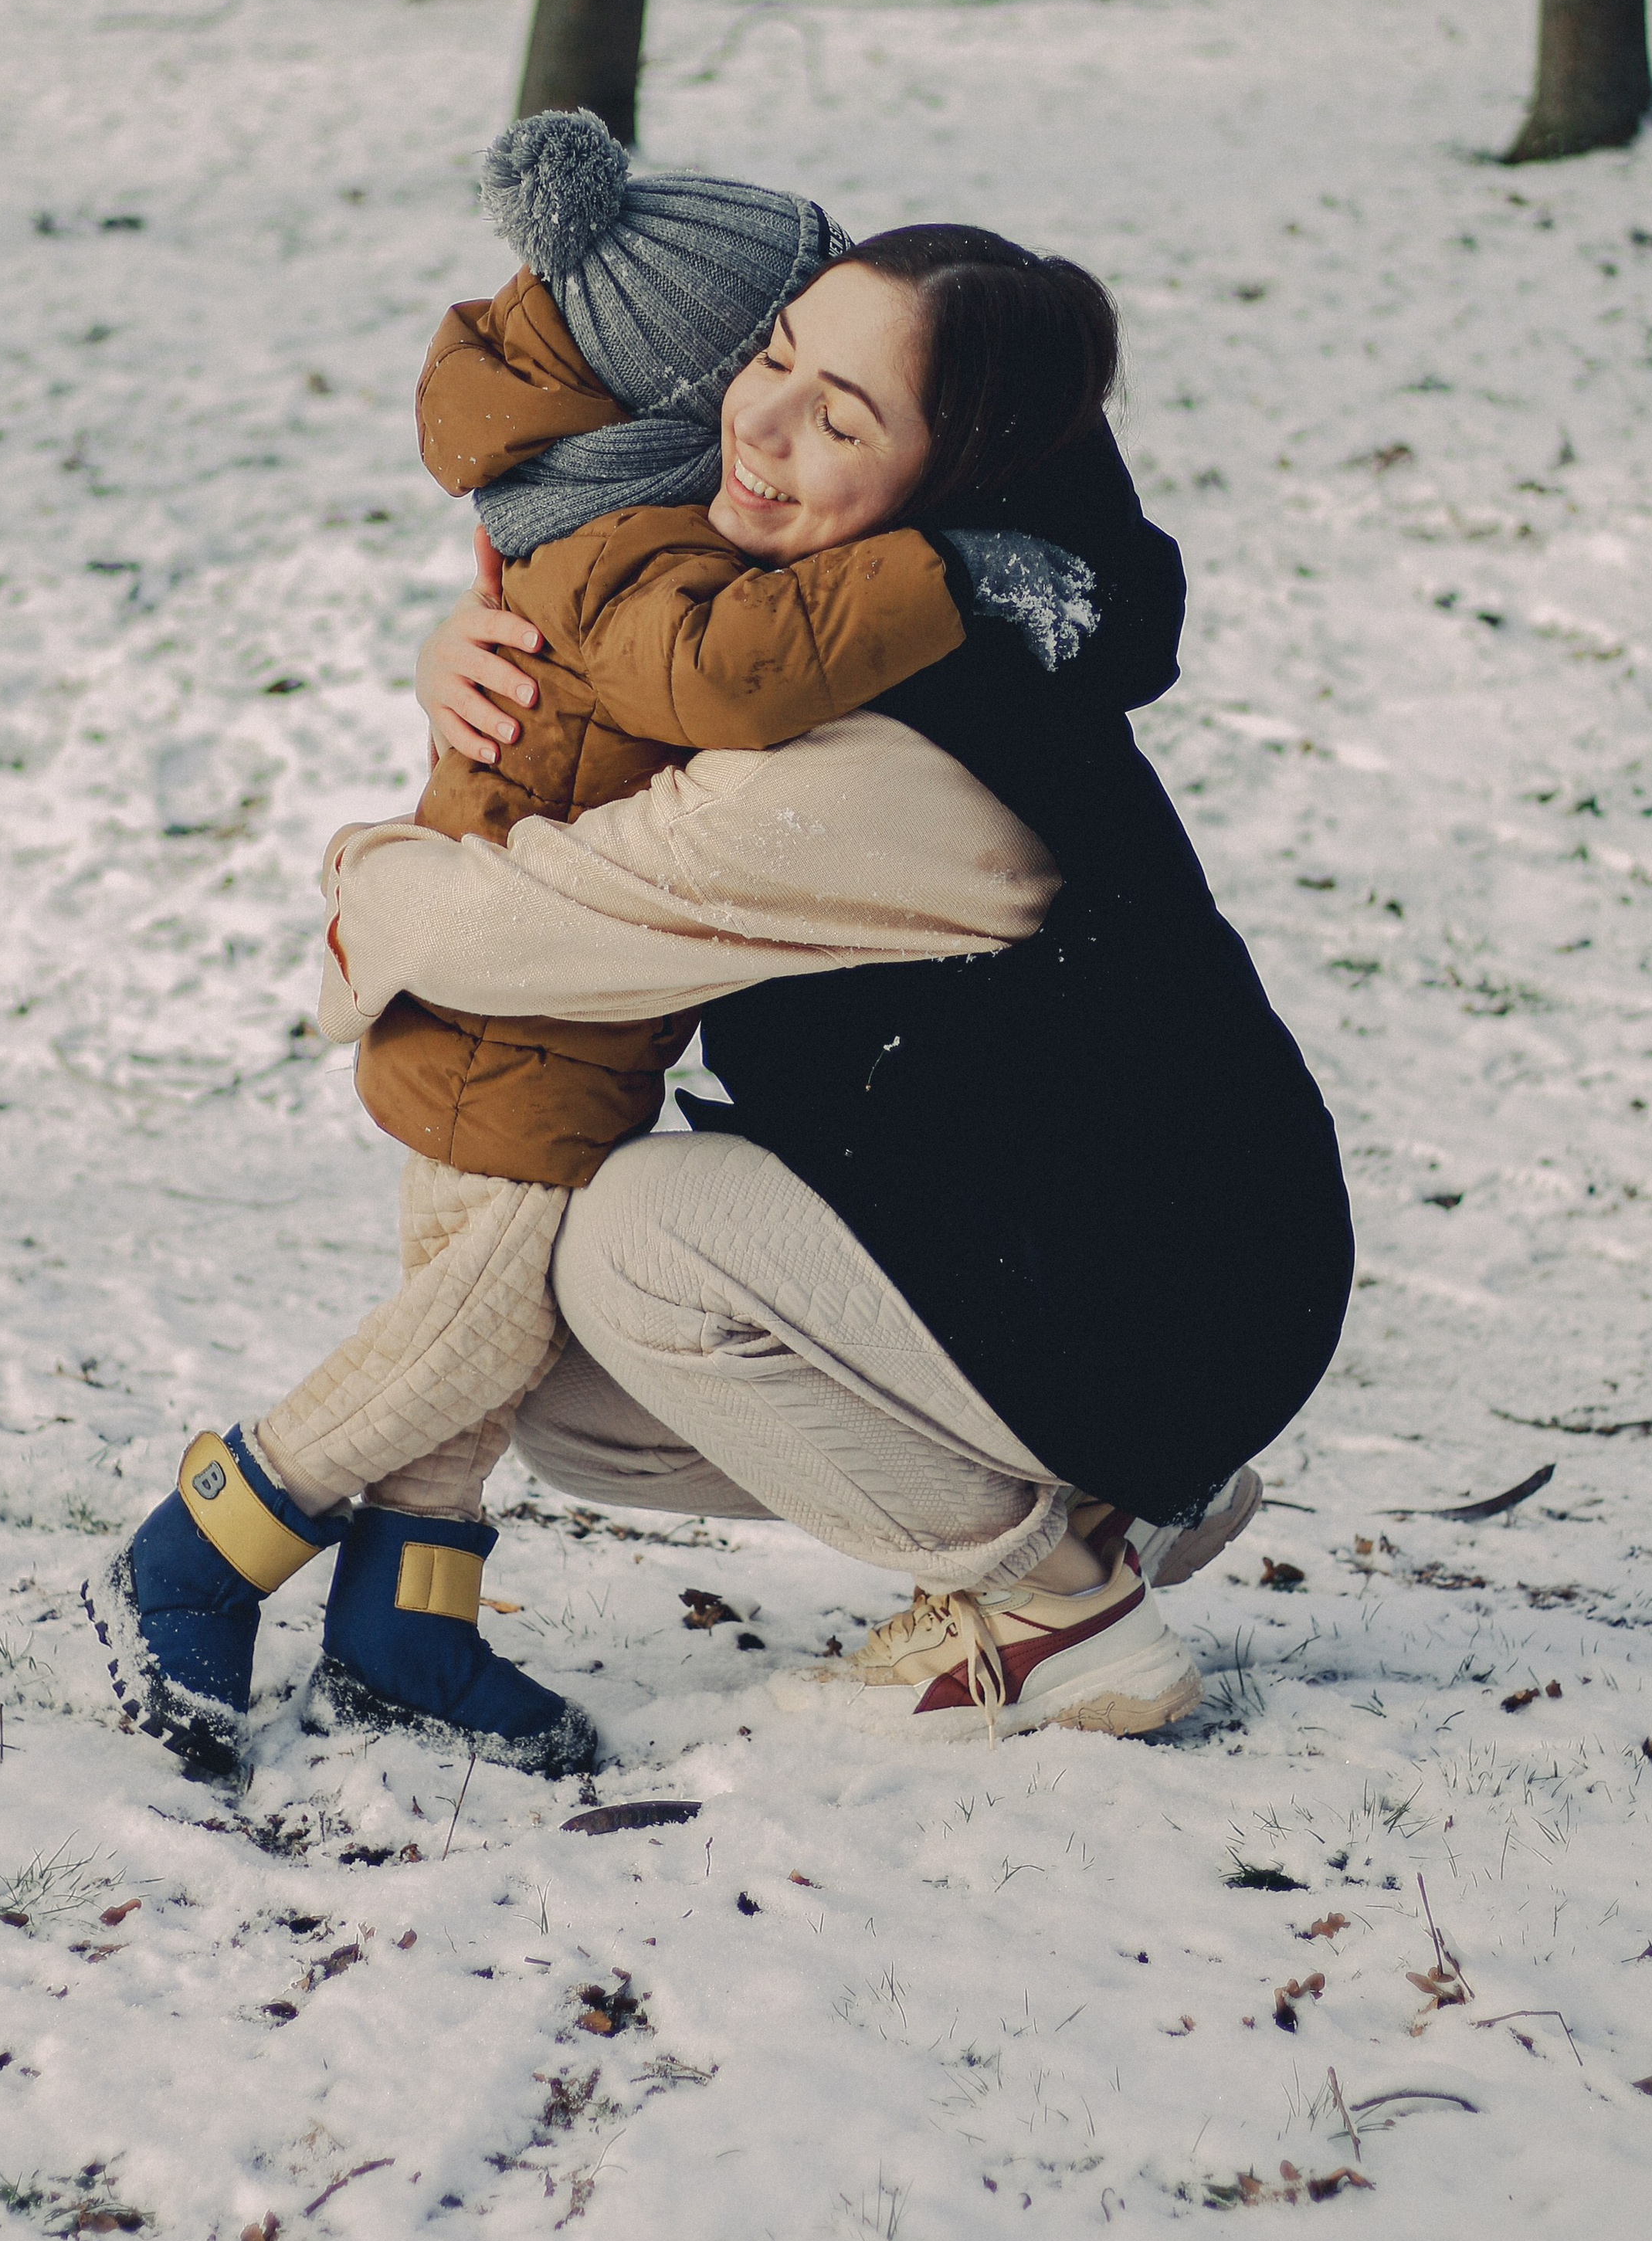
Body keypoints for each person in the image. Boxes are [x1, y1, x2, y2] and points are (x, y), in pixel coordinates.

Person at [88, 117, 1121, 1779]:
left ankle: (404, 1629)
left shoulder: (595, 482)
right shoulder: (636, 537)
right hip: (518, 1010)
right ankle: (198, 1548)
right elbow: (715, 671)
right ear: (680, 378)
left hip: (553, 999)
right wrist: (941, 573)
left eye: (832, 400)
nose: (770, 421)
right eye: (762, 363)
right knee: (478, 1334)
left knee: (480, 1330)